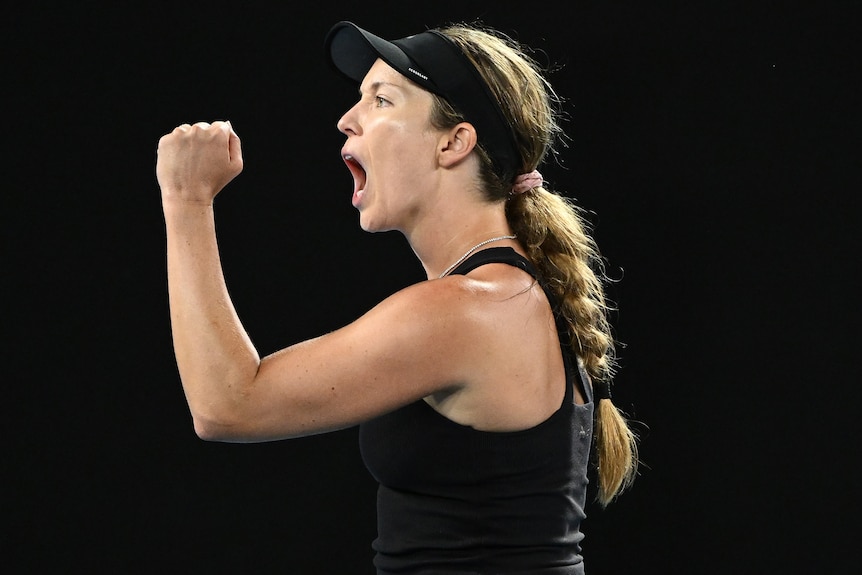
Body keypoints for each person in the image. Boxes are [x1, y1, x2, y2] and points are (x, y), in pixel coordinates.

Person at [155, 19, 638, 575]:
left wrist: (187, 199)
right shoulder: (502, 294)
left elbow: (227, 405)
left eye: (381, 100)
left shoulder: (470, 309)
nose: (346, 119)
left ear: (455, 142)